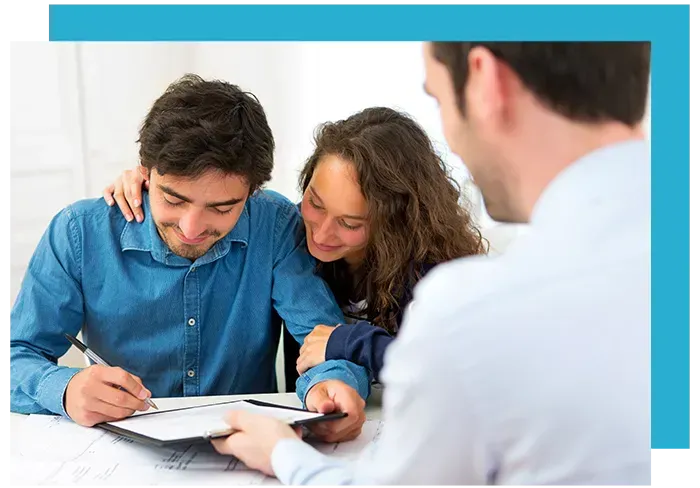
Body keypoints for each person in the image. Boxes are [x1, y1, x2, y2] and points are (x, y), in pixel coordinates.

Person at [208, 41, 655, 487]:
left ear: (484, 79)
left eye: (438, 98)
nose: (323, 233)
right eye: (316, 205)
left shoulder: (468, 301)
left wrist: (281, 453)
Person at [9, 74, 370, 442]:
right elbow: (17, 354)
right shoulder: (79, 232)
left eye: (222, 207)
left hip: (246, 452)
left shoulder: (274, 225)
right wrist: (67, 390)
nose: (192, 227)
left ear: (253, 192)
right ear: (146, 172)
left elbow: (324, 339)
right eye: (174, 199)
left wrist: (332, 386)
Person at [102, 106, 487, 382]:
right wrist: (155, 183)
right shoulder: (291, 235)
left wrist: (349, 341)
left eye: (350, 224)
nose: (320, 234)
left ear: (397, 222)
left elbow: (467, 369)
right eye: (315, 204)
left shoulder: (440, 275)